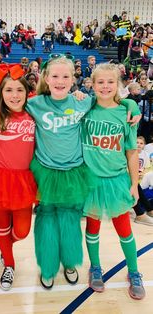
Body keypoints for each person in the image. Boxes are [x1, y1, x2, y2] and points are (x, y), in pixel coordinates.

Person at [26, 56, 141, 290]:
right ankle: (57, 267)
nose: (60, 81)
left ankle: (79, 264)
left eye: (66, 76)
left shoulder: (85, 104)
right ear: (45, 78)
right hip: (57, 174)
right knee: (51, 223)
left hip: (92, 176)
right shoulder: (38, 104)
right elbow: (6, 106)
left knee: (78, 223)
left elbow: (129, 143)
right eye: (55, 76)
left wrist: (132, 104)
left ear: (74, 80)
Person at [82, 63, 145, 300]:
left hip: (117, 179)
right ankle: (95, 267)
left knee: (124, 229)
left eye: (110, 82)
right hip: (91, 180)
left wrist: (133, 183)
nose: (105, 86)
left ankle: (134, 271)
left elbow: (131, 152)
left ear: (117, 85)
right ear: (92, 84)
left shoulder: (126, 113)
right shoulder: (85, 109)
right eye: (100, 82)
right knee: (93, 227)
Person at [0, 64, 37, 291]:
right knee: (1, 226)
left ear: (27, 91)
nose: (14, 95)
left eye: (19, 90)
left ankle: (6, 248)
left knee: (21, 231)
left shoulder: (34, 111)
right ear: (1, 92)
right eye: (8, 90)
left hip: (24, 180)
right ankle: (9, 264)